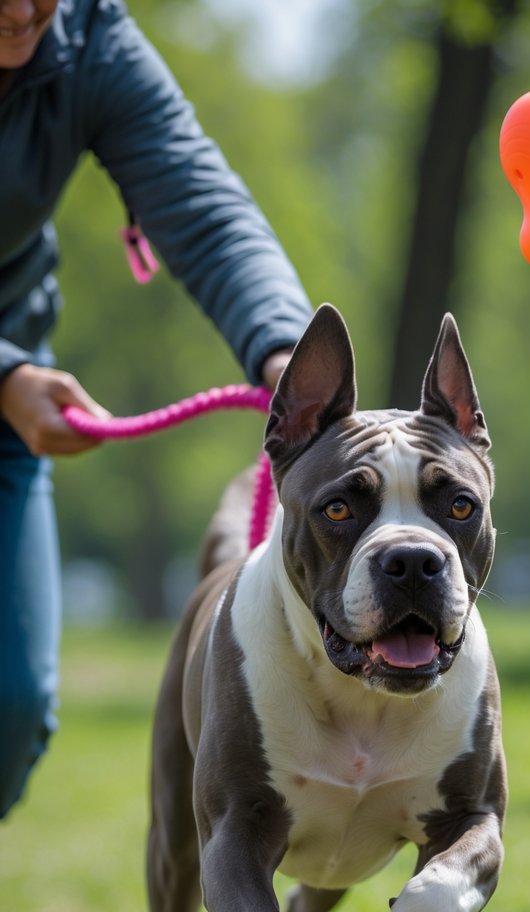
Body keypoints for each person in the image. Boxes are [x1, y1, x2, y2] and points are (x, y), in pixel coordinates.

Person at [0, 0, 314, 819]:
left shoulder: (88, 42)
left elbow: (205, 210)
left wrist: (283, 351)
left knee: (10, 702)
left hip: (10, 395)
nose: (24, 9)